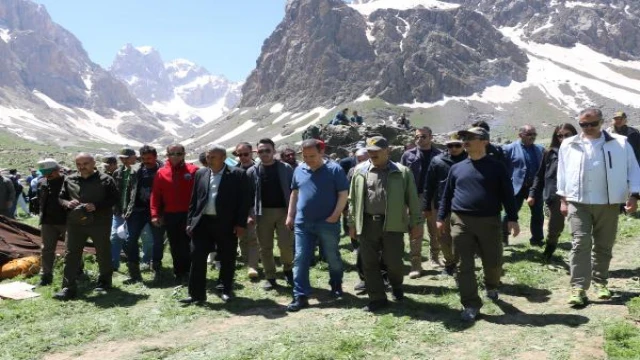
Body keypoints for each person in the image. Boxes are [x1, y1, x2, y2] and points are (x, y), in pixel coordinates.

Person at [557, 108, 640, 306]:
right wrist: (562, 198)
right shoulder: (569, 144)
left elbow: (634, 169)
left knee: (604, 245)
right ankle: (578, 287)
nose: (588, 128)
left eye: (593, 124)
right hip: (578, 201)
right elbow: (562, 172)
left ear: (601, 122)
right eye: (583, 125)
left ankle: (600, 282)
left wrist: (634, 195)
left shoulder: (620, 143)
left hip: (609, 202)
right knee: (580, 243)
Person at [437, 127, 519, 322]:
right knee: (463, 264)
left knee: (493, 262)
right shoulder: (456, 168)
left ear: (484, 141)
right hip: (460, 222)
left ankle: (491, 285)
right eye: (463, 137)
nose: (465, 141)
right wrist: (441, 217)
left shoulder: (497, 167)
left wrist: (513, 218)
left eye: (470, 138)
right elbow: (447, 195)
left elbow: (507, 194)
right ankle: (471, 303)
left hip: (489, 221)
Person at [348, 136, 423, 312]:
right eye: (370, 151)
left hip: (393, 224)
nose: (372, 154)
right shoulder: (359, 171)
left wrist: (416, 223)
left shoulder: (402, 172)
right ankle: (377, 298)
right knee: (369, 263)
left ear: (387, 151)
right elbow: (352, 199)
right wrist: (351, 223)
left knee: (394, 262)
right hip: (367, 224)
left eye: (376, 151)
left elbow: (412, 199)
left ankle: (396, 285)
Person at [180, 144, 249, 305]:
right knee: (197, 256)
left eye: (212, 157)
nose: (208, 160)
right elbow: (194, 200)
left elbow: (244, 202)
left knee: (227, 257)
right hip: (202, 222)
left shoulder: (238, 175)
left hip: (226, 223)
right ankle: (196, 294)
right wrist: (190, 222)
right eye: (207, 156)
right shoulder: (201, 173)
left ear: (223, 158)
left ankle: (224, 289)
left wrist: (240, 224)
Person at [286, 139, 349, 312]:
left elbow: (343, 194)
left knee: (332, 256)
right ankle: (300, 295)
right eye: (305, 156)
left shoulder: (334, 169)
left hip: (327, 222)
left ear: (322, 152)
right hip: (303, 223)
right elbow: (295, 193)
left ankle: (336, 284)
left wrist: (335, 215)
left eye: (312, 156)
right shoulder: (299, 169)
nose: (308, 159)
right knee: (300, 258)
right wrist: (290, 215)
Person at [54, 153, 119, 300]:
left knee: (103, 252)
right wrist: (67, 203)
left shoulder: (106, 179)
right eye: (79, 164)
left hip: (100, 222)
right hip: (75, 223)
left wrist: (96, 205)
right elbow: (61, 197)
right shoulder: (69, 179)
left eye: (85, 163)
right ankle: (67, 288)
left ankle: (104, 282)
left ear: (93, 163)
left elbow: (114, 198)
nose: (82, 167)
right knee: (71, 254)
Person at [247, 138, 295, 289]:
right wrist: (250, 213)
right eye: (261, 151)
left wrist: (293, 213)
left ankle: (288, 270)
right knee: (265, 247)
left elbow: (295, 191)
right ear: (257, 153)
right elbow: (248, 196)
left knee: (286, 245)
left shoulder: (286, 168)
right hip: (262, 214)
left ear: (274, 151)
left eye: (267, 150)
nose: (264, 154)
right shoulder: (252, 171)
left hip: (284, 212)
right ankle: (270, 276)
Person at [528, 123, 578, 262]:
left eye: (567, 135)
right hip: (555, 195)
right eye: (560, 136)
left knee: (579, 225)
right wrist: (532, 193)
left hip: (577, 194)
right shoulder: (550, 153)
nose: (563, 138)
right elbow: (540, 174)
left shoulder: (582, 151)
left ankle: (580, 254)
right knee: (555, 226)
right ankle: (550, 248)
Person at [151, 144, 198, 284]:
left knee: (189, 244)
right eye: (172, 154)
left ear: (184, 154)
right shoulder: (161, 172)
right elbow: (155, 195)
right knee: (175, 244)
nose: (175, 156)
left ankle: (190, 271)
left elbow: (200, 194)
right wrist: (154, 214)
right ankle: (179, 272)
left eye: (179, 153)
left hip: (190, 215)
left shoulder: (193, 170)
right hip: (170, 215)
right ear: (167, 155)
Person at [423, 132, 468, 276]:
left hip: (464, 205)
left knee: (461, 237)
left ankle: (461, 263)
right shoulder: (437, 161)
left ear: (463, 145)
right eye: (450, 145)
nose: (453, 148)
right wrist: (426, 207)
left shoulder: (470, 160)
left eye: (457, 145)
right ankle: (449, 263)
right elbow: (428, 185)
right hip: (441, 204)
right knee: (442, 237)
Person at [400, 126, 442, 278]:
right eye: (417, 136)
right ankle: (415, 264)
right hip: (415, 198)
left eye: (423, 136)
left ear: (431, 137)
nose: (419, 139)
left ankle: (435, 257)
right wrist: (404, 202)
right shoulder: (407, 155)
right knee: (416, 232)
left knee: (435, 230)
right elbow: (402, 180)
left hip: (434, 198)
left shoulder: (440, 155)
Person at [123, 145, 166, 283]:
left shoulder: (164, 171)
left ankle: (157, 269)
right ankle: (134, 272)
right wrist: (125, 208)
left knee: (158, 240)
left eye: (149, 158)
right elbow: (128, 190)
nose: (146, 161)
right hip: (136, 210)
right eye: (143, 158)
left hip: (157, 211)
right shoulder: (135, 170)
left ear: (155, 157)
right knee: (130, 240)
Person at [502, 125, 544, 246]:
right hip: (516, 187)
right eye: (529, 134)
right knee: (509, 214)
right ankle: (503, 237)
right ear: (520, 135)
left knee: (537, 214)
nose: (532, 137)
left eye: (534, 134)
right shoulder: (509, 148)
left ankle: (537, 239)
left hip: (534, 188)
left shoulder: (539, 149)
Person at [36, 159, 67, 286]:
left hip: (66, 221)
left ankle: (77, 272)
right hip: (47, 221)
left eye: (50, 172)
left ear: (57, 169)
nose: (48, 176)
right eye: (45, 173)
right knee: (46, 249)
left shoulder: (69, 181)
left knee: (72, 249)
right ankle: (46, 277)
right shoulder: (42, 182)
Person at [110, 147, 139, 271]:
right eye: (122, 158)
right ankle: (113, 265)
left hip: (136, 212)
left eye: (127, 158)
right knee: (115, 237)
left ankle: (145, 262)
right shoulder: (117, 173)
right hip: (119, 211)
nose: (124, 160)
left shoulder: (139, 171)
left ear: (134, 157)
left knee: (140, 239)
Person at [234, 142, 259, 278]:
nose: (243, 157)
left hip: (252, 208)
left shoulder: (258, 169)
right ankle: (246, 260)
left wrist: (253, 212)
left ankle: (253, 265)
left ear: (252, 153)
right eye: (240, 154)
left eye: (246, 154)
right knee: (241, 237)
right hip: (237, 209)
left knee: (252, 237)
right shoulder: (233, 170)